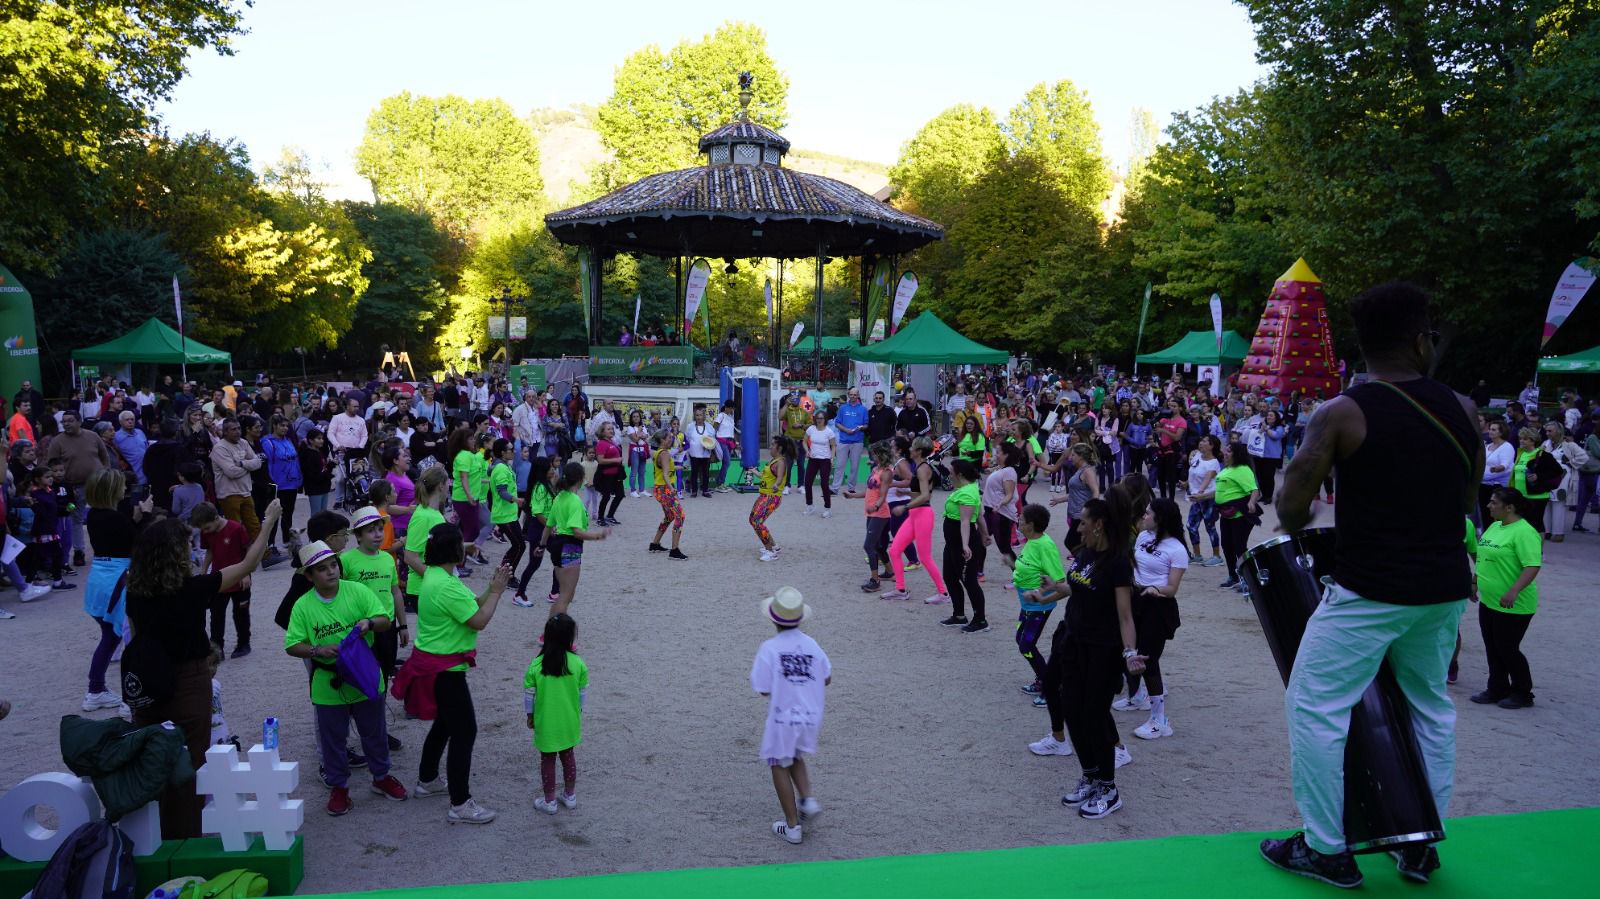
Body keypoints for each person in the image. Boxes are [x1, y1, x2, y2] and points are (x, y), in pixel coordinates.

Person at [1262, 282, 1482, 888]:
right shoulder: (1463, 408)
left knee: (1316, 706)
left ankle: (1326, 847)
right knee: (1430, 705)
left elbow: (1291, 505)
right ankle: (1418, 844)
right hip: (1441, 588)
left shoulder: (1342, 412)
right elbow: (1466, 500)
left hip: (1369, 590)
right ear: (1419, 341)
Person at [124, 500, 281, 837]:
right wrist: (268, 522)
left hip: (149, 681)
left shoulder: (135, 591)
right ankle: (186, 833)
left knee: (153, 758)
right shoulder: (191, 589)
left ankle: (158, 833)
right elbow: (249, 562)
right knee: (192, 762)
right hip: (188, 680)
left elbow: (136, 638)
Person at [1028, 489, 1143, 819]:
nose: (1078, 529)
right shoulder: (1084, 554)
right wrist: (1044, 593)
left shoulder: (1118, 564)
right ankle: (1090, 776)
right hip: (1074, 643)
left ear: (1099, 525)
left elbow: (1124, 615)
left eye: (1083, 523)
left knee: (1095, 716)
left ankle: (1109, 788)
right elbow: (1071, 586)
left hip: (1102, 651)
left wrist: (1131, 653)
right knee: (1071, 710)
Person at [284, 540, 407, 815]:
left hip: (364, 674)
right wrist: (317, 649)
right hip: (327, 682)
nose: (331, 572)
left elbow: (384, 620)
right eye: (322, 569)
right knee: (333, 740)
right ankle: (339, 787)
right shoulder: (302, 606)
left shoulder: (357, 591)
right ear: (309, 576)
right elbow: (292, 645)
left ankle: (381, 777)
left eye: (333, 565)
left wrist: (370, 623)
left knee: (374, 732)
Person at [407, 522, 510, 824]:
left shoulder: (437, 575)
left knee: (445, 724)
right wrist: (499, 593)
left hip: (436, 664)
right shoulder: (446, 583)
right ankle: (460, 803)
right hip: (446, 669)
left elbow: (468, 606)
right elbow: (478, 620)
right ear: (453, 550)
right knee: (465, 730)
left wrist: (491, 588)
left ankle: (427, 780)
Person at [750, 586, 830, 845]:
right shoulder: (811, 644)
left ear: (773, 618)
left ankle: (792, 826)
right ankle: (807, 799)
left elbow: (762, 689)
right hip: (810, 714)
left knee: (777, 763)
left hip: (783, 717)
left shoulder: (769, 648)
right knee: (795, 755)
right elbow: (827, 675)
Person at [81, 468, 153, 711]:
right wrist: (145, 516)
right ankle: (132, 698)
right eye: (121, 486)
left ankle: (96, 689)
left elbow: (118, 537)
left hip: (100, 578)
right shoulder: (115, 518)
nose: (125, 489)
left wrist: (134, 519)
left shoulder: (93, 516)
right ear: (112, 490)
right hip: (118, 579)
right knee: (131, 638)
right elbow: (139, 543)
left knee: (110, 638)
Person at [1116, 498, 1186, 740]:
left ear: (1161, 519)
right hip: (1135, 599)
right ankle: (1136, 697)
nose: (1143, 517)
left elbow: (1172, 588)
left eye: (1148, 514)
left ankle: (1160, 719)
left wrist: (1155, 589)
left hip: (1157, 606)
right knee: (1128, 650)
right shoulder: (1144, 537)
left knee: (1148, 660)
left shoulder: (1176, 549)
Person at [1470, 487, 1542, 709]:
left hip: (1514, 604)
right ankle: (1497, 688)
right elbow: (1482, 557)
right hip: (1490, 601)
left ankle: (1522, 692)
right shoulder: (1495, 526)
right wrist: (1474, 582)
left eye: (1493, 503)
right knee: (1492, 646)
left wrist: (1514, 590)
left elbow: (1532, 565)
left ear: (1509, 507)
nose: (1488, 506)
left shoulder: (1524, 532)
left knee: (1507, 648)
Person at [524, 613, 587, 815]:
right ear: (570, 637)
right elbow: (582, 693)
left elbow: (529, 694)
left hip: (546, 721)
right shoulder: (577, 663)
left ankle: (549, 801)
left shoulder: (537, 665)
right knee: (568, 756)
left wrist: (530, 715)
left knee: (548, 759)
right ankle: (570, 795)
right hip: (569, 720)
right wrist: (578, 711)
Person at [881, 436, 950, 604]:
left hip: (922, 515)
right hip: (916, 514)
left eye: (912, 447)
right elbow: (923, 494)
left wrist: (904, 506)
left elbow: (926, 496)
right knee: (895, 550)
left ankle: (943, 593)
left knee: (925, 557)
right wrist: (906, 494)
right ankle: (900, 589)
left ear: (919, 451)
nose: (909, 449)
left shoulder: (921, 469)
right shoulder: (921, 466)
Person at [544, 462, 612, 615]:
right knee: (566, 595)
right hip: (570, 548)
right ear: (581, 478)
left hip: (557, 546)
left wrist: (542, 545)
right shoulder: (574, 501)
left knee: (563, 594)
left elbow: (549, 525)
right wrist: (598, 536)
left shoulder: (560, 496)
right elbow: (576, 532)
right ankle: (556, 634)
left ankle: (549, 633)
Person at [45, 410, 110, 568]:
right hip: (73, 488)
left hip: (97, 484)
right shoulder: (57, 441)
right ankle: (79, 552)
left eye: (70, 420)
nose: (66, 424)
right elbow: (51, 464)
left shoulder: (92, 436)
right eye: (64, 421)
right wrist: (62, 486)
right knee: (76, 520)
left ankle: (105, 550)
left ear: (79, 421)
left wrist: (106, 471)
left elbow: (104, 455)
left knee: (103, 517)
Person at [938, 459, 992, 633]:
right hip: (953, 543)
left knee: (969, 581)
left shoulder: (968, 493)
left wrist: (965, 545)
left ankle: (980, 620)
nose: (949, 474)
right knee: (950, 577)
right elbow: (981, 515)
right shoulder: (966, 489)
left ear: (959, 474)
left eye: (951, 471)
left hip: (963, 544)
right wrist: (985, 534)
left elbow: (966, 521)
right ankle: (959, 615)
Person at [1214, 441, 1261, 594]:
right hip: (1226, 513)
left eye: (1229, 450)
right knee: (1227, 546)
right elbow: (1220, 491)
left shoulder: (1242, 469)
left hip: (1240, 514)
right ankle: (1233, 576)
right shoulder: (1227, 469)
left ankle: (1248, 580)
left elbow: (1254, 490)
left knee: (1239, 546)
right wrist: (1201, 497)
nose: (1225, 452)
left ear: (1237, 454)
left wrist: (1252, 502)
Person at [513, 456, 556, 606]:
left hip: (545, 529)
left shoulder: (546, 485)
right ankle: (519, 594)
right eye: (550, 467)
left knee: (558, 557)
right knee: (534, 563)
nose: (553, 469)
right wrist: (549, 528)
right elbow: (538, 513)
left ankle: (555, 592)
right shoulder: (540, 488)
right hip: (540, 530)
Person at [1539, 421, 1588, 542]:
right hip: (1547, 477)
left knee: (1559, 504)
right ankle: (1547, 531)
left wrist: (1570, 463)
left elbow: (1584, 457)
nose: (1548, 433)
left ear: (1558, 431)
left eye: (1550, 431)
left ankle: (1558, 532)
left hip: (1562, 478)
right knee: (1547, 503)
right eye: (1547, 431)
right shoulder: (1546, 444)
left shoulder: (1569, 445)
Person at [858, 441, 894, 590]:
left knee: (869, 546)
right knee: (878, 546)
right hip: (872, 512)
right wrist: (853, 496)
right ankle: (890, 572)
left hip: (879, 513)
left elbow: (883, 495)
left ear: (881, 454)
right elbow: (869, 491)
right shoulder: (875, 469)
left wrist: (875, 507)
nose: (872, 455)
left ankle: (875, 580)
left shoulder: (886, 472)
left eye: (874, 453)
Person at [751, 436, 793, 562]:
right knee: (753, 520)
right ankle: (774, 546)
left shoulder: (780, 462)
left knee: (756, 522)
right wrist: (755, 472)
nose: (770, 447)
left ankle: (770, 551)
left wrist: (777, 484)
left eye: (772, 445)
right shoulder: (773, 461)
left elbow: (780, 477)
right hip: (764, 495)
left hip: (771, 497)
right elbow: (765, 476)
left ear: (779, 448)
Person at [1185, 435, 1224, 566]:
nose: (1201, 443)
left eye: (1205, 441)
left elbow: (1207, 480)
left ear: (1212, 446)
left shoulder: (1214, 463)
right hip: (1197, 498)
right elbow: (1193, 473)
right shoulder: (1196, 456)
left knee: (1210, 527)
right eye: (1201, 440)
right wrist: (1186, 484)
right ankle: (1197, 556)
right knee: (1191, 526)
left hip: (1208, 499)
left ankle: (1217, 556)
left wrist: (1200, 493)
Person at [830, 389, 868, 496]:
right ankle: (834, 488)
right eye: (851, 394)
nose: (853, 396)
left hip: (857, 441)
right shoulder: (842, 408)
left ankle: (851, 488)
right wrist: (846, 430)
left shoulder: (863, 409)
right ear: (848, 395)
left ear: (858, 395)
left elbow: (866, 425)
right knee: (839, 465)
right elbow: (837, 423)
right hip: (843, 440)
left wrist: (860, 428)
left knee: (854, 466)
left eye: (855, 395)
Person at [802, 411, 837, 518]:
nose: (819, 420)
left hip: (825, 460)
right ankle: (810, 505)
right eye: (817, 418)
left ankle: (827, 509)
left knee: (824, 484)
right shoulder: (811, 429)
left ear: (825, 419)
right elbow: (804, 441)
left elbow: (833, 446)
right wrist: (807, 451)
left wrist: (832, 458)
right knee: (807, 482)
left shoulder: (829, 432)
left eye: (821, 418)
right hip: (813, 459)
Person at [1480, 421, 1514, 526]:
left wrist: (1496, 469)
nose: (1490, 431)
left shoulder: (1507, 447)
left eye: (1494, 429)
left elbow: (1505, 465)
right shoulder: (1488, 445)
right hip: (1483, 485)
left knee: (1496, 515)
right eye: (1490, 429)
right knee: (1485, 514)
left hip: (1497, 487)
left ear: (1501, 432)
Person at [591, 422, 624, 526]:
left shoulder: (612, 441)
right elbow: (600, 460)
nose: (611, 431)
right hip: (606, 474)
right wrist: (616, 460)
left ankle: (610, 516)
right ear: (602, 431)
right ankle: (600, 518)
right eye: (608, 429)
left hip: (616, 474)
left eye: (612, 429)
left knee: (620, 495)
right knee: (606, 496)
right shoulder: (601, 443)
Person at [684, 406, 716, 499]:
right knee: (694, 473)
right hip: (693, 454)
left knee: (705, 473)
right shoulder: (690, 426)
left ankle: (705, 490)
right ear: (695, 416)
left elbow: (713, 440)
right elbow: (686, 439)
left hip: (706, 454)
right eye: (697, 415)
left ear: (704, 416)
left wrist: (712, 451)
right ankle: (694, 491)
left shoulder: (709, 427)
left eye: (700, 415)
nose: (698, 417)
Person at [712, 400, 740, 491]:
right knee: (727, 462)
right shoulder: (721, 416)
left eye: (733, 408)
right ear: (727, 407)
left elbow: (732, 432)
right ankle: (720, 483)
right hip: (721, 441)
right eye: (732, 408)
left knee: (726, 463)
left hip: (729, 442)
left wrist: (736, 443)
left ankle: (720, 483)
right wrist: (713, 439)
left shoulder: (731, 417)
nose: (733, 410)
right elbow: (715, 427)